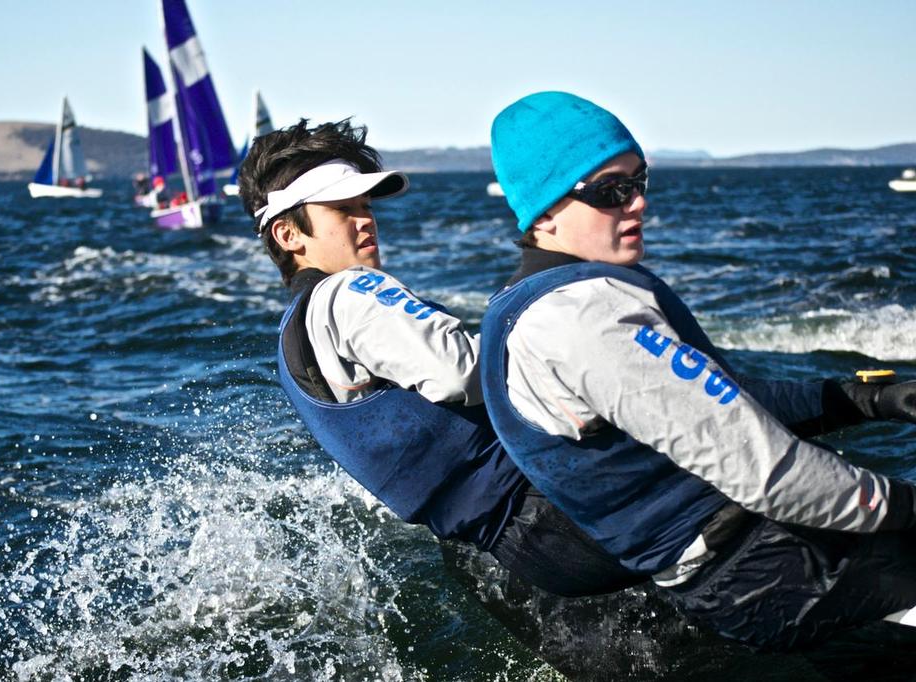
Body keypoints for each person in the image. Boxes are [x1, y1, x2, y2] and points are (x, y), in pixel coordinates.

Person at [481, 90, 916, 651]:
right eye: (611, 191)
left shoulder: (525, 306)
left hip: (752, 571)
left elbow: (724, 403)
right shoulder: (581, 319)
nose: (636, 203)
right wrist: (905, 505)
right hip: (773, 569)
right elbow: (766, 472)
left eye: (639, 182)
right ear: (545, 213)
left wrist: (864, 400)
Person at [237, 118, 646, 598]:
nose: (366, 219)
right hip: (550, 504)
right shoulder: (349, 291)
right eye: (343, 209)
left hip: (510, 548)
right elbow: (463, 372)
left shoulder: (293, 339)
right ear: (288, 235)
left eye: (366, 206)